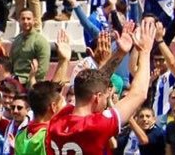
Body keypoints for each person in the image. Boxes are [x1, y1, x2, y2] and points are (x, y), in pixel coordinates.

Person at [45, 22, 157, 155]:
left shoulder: (56, 122)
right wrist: (145, 52)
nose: (106, 100)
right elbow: (139, 94)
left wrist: (120, 54)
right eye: (105, 95)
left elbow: (94, 84)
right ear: (97, 98)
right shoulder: (96, 125)